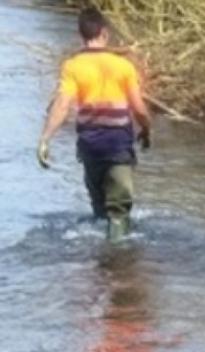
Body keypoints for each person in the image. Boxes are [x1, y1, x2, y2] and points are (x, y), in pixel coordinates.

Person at [37, 8, 151, 240]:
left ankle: (100, 267)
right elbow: (139, 109)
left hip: (89, 147)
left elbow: (61, 106)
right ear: (105, 33)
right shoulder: (123, 66)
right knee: (119, 211)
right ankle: (117, 261)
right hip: (118, 145)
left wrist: (45, 140)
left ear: (81, 35)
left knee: (99, 209)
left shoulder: (72, 66)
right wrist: (146, 130)